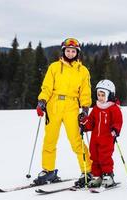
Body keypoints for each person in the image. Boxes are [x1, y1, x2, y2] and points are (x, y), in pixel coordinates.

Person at [34, 38, 92, 186]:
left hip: (71, 106)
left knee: (76, 141)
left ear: (77, 53)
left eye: (73, 51)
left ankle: (88, 171)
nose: (70, 53)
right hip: (53, 106)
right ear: (63, 51)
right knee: (50, 140)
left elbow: (85, 92)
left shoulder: (83, 71)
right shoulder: (54, 67)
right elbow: (47, 87)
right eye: (68, 50)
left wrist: (85, 109)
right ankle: (49, 171)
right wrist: (42, 101)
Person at [79, 79, 123, 188]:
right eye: (99, 95)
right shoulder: (96, 108)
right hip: (95, 139)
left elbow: (118, 121)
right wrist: (84, 123)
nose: (100, 97)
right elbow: (91, 122)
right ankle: (97, 176)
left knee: (105, 157)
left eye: (103, 95)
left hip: (107, 138)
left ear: (110, 95)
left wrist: (115, 129)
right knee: (94, 156)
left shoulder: (113, 108)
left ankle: (108, 175)